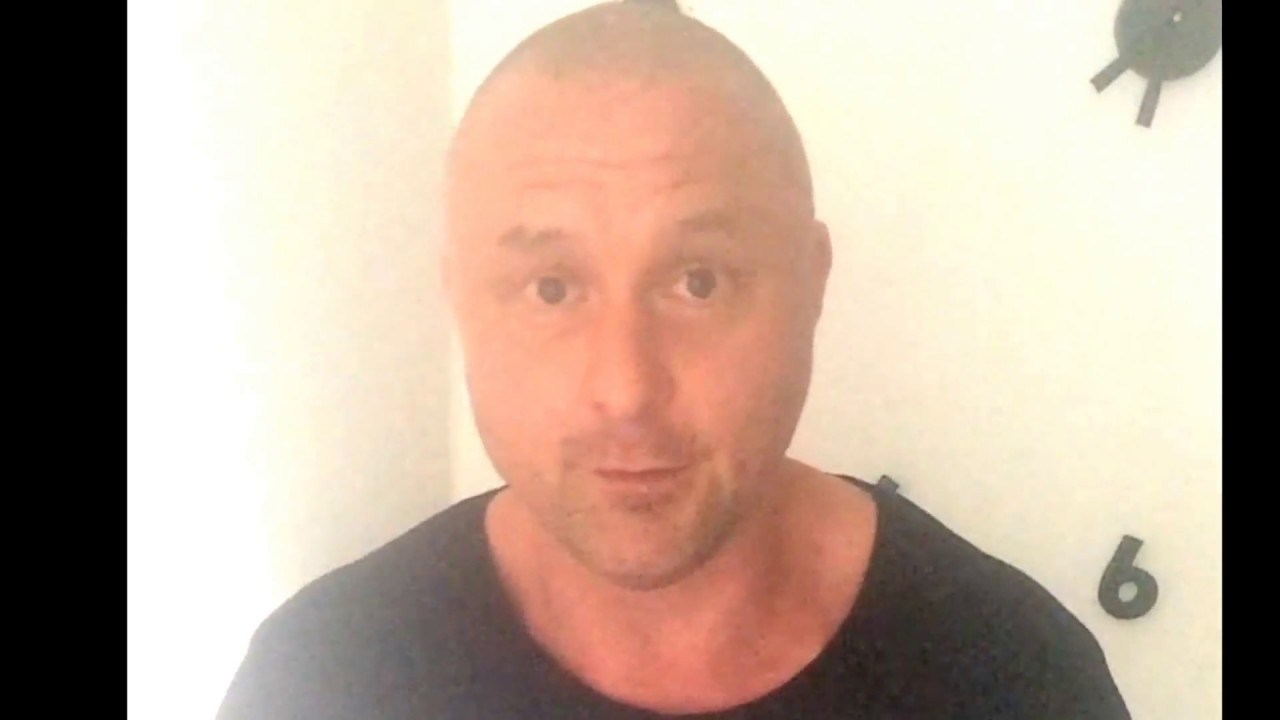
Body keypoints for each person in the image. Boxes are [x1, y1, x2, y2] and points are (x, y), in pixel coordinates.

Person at [216, 2, 1131, 717]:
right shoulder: (322, 681)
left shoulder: (1014, 676)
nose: (625, 388)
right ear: (461, 300)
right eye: (551, 288)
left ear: (811, 286)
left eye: (699, 281)